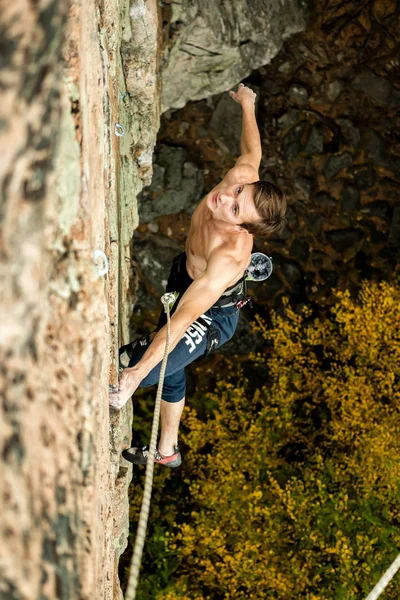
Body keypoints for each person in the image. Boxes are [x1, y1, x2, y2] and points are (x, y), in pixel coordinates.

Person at [109, 83, 286, 467]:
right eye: (237, 190)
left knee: (138, 364)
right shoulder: (240, 178)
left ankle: (158, 428)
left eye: (236, 208)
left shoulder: (229, 257)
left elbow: (186, 317)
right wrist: (248, 103)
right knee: (171, 364)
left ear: (244, 230)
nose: (225, 197)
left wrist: (136, 373)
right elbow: (252, 150)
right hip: (183, 277)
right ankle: (167, 450)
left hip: (210, 314)